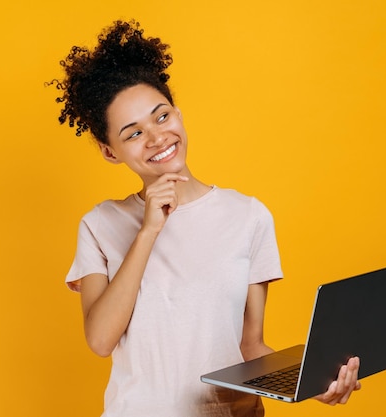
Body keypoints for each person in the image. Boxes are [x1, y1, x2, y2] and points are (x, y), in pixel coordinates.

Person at [51, 20, 361, 417]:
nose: (157, 137)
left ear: (178, 114)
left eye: (161, 117)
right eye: (132, 134)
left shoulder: (247, 216)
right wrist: (148, 231)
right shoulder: (100, 224)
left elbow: (250, 347)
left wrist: (318, 381)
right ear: (110, 151)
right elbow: (100, 340)